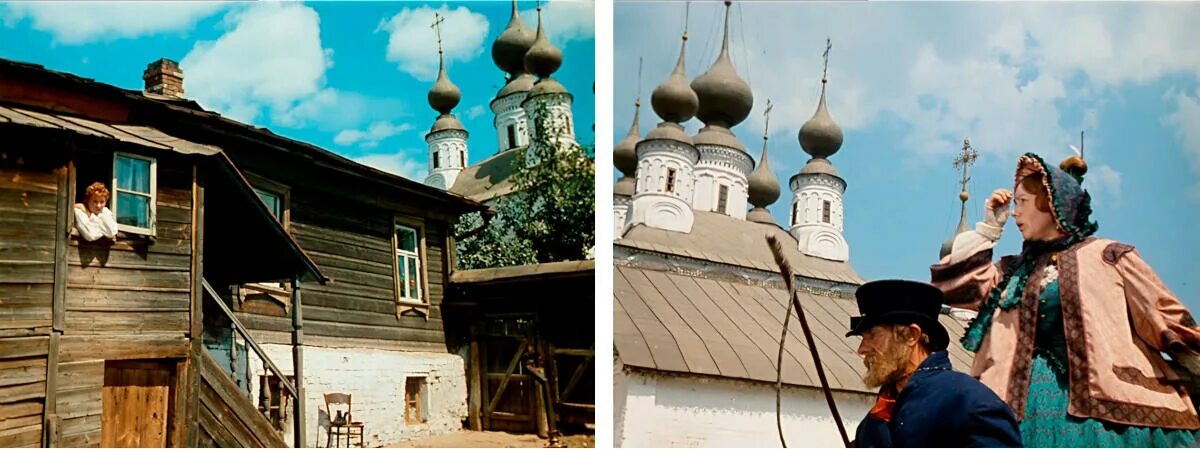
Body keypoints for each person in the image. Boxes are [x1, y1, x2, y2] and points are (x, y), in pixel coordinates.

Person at [932, 152, 1200, 447]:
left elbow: (1167, 320)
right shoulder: (1011, 270)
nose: (1015, 212)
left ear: (1050, 202)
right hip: (1015, 402)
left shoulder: (1110, 256)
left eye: (1022, 202)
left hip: (1108, 410)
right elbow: (952, 286)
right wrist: (990, 228)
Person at [848, 279, 1021, 448]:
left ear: (911, 335)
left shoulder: (970, 403)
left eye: (872, 335)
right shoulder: (874, 420)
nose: (862, 349)